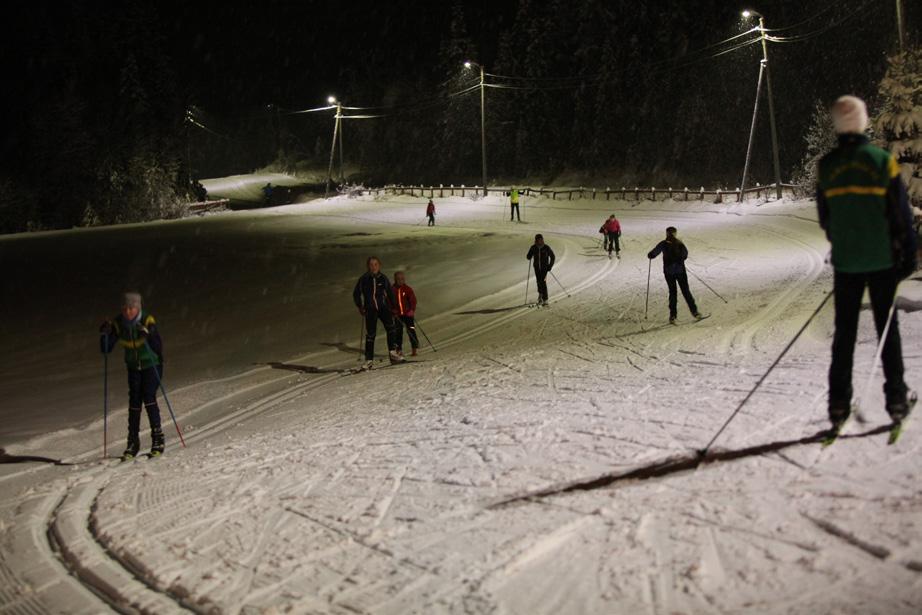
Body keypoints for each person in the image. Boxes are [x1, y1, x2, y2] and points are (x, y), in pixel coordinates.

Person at [816, 95, 917, 430]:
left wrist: (845, 239)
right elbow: (901, 215)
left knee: (844, 334)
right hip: (882, 261)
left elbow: (825, 218)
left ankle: (838, 404)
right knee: (887, 331)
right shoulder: (881, 161)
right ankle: (897, 399)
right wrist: (907, 255)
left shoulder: (827, 166)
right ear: (862, 122)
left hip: (846, 264)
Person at [99, 292, 165, 460]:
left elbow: (158, 347)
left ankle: (158, 439)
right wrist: (104, 334)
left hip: (152, 364)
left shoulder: (147, 320)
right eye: (125, 308)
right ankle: (132, 442)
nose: (128, 311)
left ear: (138, 307)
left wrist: (148, 335)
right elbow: (106, 349)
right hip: (133, 367)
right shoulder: (119, 323)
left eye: (132, 308)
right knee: (134, 402)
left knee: (148, 397)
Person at [353, 256, 403, 367]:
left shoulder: (383, 278)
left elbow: (390, 293)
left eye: (376, 264)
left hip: (383, 308)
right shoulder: (364, 279)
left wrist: (394, 307)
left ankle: (393, 353)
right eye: (371, 264)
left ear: (379, 265)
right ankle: (369, 360)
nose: (373, 267)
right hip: (370, 309)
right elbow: (356, 293)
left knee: (391, 328)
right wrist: (360, 306)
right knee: (371, 334)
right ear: (368, 266)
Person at [647, 227, 703, 324]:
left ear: (667, 234)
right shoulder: (679, 243)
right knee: (686, 291)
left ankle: (673, 316)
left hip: (669, 272)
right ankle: (695, 312)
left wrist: (651, 255)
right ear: (675, 233)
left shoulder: (664, 244)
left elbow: (654, 253)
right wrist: (679, 259)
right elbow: (685, 255)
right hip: (680, 271)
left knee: (673, 293)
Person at [392, 271, 420, 357]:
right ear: (395, 279)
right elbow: (389, 301)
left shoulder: (407, 289)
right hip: (398, 315)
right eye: (398, 279)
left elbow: (413, 300)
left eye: (402, 279)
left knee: (411, 330)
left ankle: (414, 349)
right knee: (398, 332)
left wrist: (412, 310)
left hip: (408, 314)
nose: (400, 281)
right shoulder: (392, 289)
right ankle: (399, 350)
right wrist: (392, 310)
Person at [526, 234, 556, 306]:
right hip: (536, 268)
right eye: (538, 240)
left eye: (541, 239)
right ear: (536, 240)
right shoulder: (533, 247)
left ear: (542, 240)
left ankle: (545, 299)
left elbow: (553, 257)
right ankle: (540, 295)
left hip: (544, 269)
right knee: (538, 282)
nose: (540, 241)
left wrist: (550, 266)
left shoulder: (546, 248)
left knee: (543, 282)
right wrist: (529, 256)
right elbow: (528, 256)